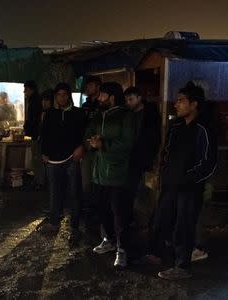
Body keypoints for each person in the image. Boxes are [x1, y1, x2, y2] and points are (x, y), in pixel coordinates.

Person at [151, 82, 217, 280]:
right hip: (170, 185)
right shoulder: (177, 126)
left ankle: (182, 266)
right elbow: (167, 153)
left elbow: (209, 162)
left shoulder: (203, 129)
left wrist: (187, 180)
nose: (176, 104)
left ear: (194, 104)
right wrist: (163, 174)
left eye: (181, 101)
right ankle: (164, 257)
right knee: (162, 221)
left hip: (189, 189)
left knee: (184, 227)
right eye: (176, 100)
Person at [85, 82, 135, 268]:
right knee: (101, 208)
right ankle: (108, 239)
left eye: (102, 95)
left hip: (117, 172)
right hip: (98, 171)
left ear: (112, 96)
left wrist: (103, 145)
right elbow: (88, 133)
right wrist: (91, 142)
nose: (99, 98)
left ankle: (122, 250)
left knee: (119, 213)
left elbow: (128, 143)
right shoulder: (98, 116)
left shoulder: (126, 115)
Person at [40, 83, 86, 233]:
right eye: (59, 95)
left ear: (69, 96)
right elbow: (44, 135)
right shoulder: (49, 114)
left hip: (72, 158)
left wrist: (81, 147)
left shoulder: (79, 113)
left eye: (65, 94)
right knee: (54, 192)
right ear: (56, 97)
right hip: (53, 160)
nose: (62, 97)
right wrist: (44, 152)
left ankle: (75, 226)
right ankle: (54, 222)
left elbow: (85, 134)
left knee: (74, 192)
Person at [124, 87, 161, 222]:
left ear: (139, 98)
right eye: (127, 100)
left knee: (142, 191)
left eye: (131, 99)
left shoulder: (150, 113)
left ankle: (141, 219)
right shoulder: (129, 114)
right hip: (131, 157)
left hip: (143, 158)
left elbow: (154, 138)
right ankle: (131, 218)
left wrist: (151, 157)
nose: (128, 102)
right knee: (131, 190)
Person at [80, 76, 102, 217]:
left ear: (98, 86)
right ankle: (89, 208)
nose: (87, 89)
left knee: (98, 180)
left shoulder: (102, 106)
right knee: (86, 180)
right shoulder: (85, 106)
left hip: (100, 146)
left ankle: (97, 208)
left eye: (90, 85)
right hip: (86, 146)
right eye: (86, 86)